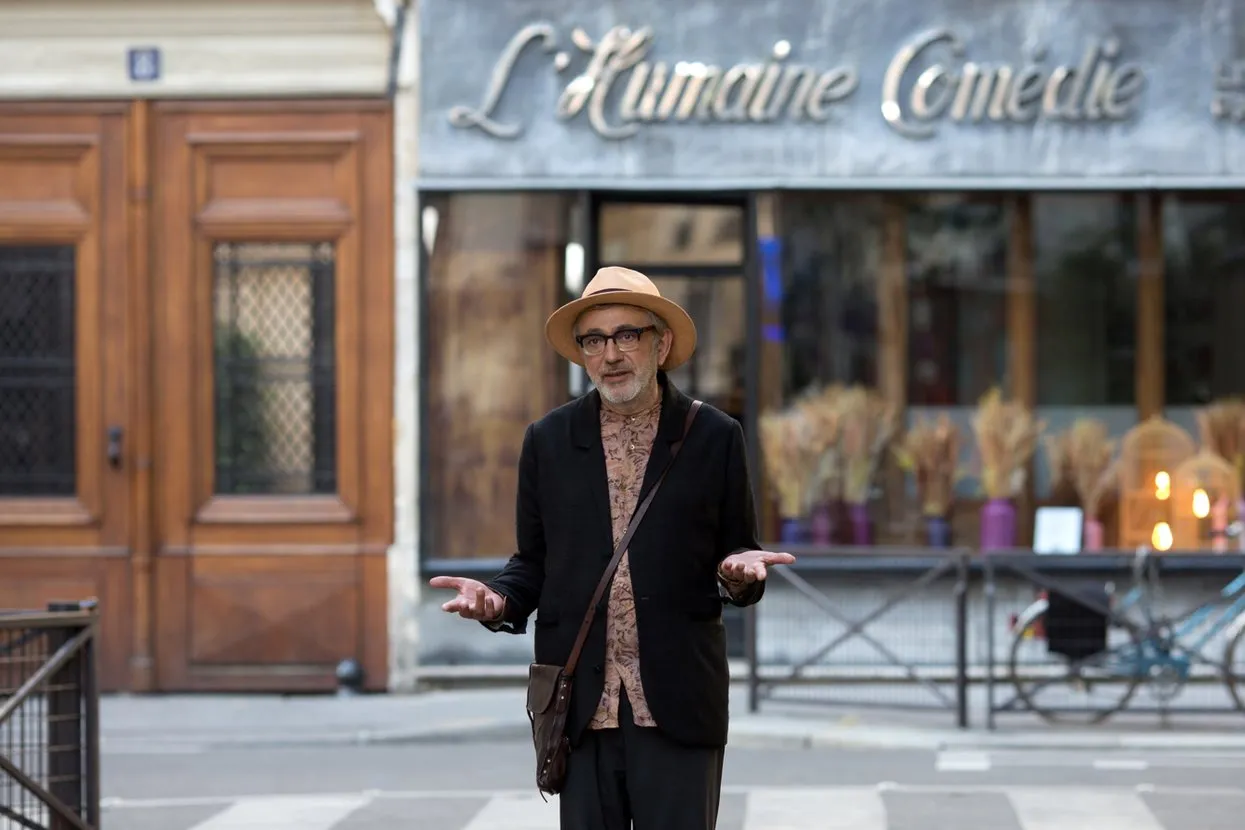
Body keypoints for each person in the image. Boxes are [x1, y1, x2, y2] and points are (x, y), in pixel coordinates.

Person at [429, 265, 795, 830]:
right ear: (581, 353)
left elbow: (737, 554)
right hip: (581, 708)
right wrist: (497, 601)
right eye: (594, 340)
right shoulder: (548, 441)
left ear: (661, 342)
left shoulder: (715, 437)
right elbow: (532, 563)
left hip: (678, 703)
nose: (611, 354)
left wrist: (740, 573)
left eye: (628, 334)